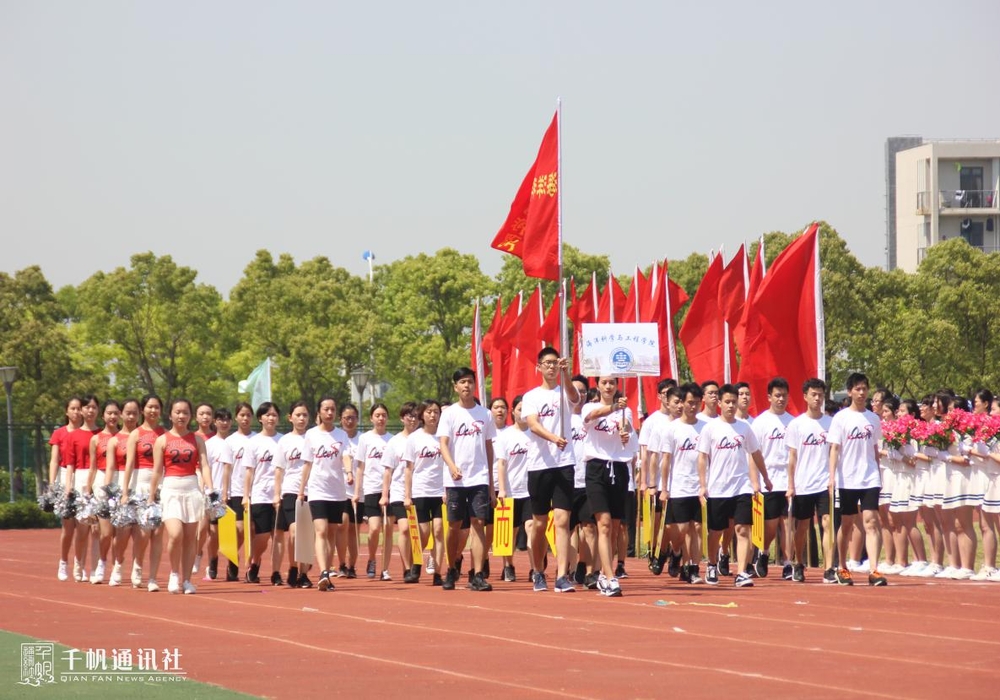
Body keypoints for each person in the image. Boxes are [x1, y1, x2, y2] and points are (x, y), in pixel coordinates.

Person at [698, 383, 772, 588]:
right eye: (727, 402)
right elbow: (702, 457)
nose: (731, 405)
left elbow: (755, 453)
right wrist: (703, 485)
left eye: (733, 402)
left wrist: (765, 478)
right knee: (716, 531)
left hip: (742, 487)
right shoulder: (710, 428)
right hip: (718, 488)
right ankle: (711, 564)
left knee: (742, 529)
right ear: (720, 403)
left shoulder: (744, 427)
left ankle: (741, 572)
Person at [521, 347, 581, 593]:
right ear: (539, 367)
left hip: (564, 463)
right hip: (540, 465)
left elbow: (575, 398)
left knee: (563, 520)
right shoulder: (531, 396)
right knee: (539, 522)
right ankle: (538, 570)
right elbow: (533, 424)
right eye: (547, 363)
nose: (551, 367)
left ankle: (562, 575)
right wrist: (554, 438)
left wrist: (567, 375)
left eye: (555, 363)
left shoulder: (565, 391)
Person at [439, 368, 497, 592]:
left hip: (479, 477)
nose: (467, 386)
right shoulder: (449, 414)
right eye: (462, 382)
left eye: (470, 382)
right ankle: (452, 568)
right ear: (456, 387)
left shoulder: (485, 414)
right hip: (456, 480)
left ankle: (478, 574)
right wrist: (452, 467)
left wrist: (490, 483)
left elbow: (489, 448)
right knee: (454, 526)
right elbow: (443, 444)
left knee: (478, 523)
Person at [827, 373, 887, 586]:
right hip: (848, 479)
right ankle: (842, 566)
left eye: (864, 389)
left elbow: (875, 448)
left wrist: (878, 474)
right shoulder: (841, 418)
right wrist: (832, 477)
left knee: (871, 521)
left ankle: (874, 569)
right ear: (850, 391)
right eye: (857, 389)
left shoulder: (873, 419)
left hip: (869, 477)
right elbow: (835, 448)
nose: (861, 393)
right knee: (847, 523)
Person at [148, 398, 212, 595]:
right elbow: (157, 470)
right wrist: (151, 495)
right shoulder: (162, 440)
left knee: (191, 538)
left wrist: (210, 488)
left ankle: (187, 580)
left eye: (185, 412)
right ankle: (174, 573)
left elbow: (204, 465)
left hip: (192, 489)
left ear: (190, 416)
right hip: (171, 489)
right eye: (177, 412)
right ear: (170, 415)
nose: (181, 416)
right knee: (176, 534)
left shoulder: (197, 440)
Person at [582, 377, 634, 597]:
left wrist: (624, 432)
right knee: (603, 524)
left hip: (619, 468)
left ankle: (604, 573)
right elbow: (592, 416)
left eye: (612, 382)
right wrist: (613, 407)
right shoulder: (589, 407)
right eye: (604, 382)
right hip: (596, 468)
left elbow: (626, 427)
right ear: (598, 386)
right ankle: (611, 578)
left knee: (613, 526)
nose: (608, 386)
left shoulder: (626, 411)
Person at [300, 395, 353, 592]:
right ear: (319, 412)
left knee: (331, 532)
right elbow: (307, 464)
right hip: (317, 489)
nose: (330, 413)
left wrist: (349, 472)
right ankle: (323, 572)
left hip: (337, 491)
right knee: (321, 530)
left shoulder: (341, 435)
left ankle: (327, 574)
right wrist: (301, 490)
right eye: (326, 409)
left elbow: (346, 456)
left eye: (332, 409)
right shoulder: (311, 434)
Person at [656, 383, 708, 583]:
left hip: (699, 487)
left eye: (696, 403)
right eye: (689, 402)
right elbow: (666, 460)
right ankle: (676, 551)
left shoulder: (705, 427)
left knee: (696, 528)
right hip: (678, 487)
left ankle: (692, 568)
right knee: (680, 529)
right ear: (683, 403)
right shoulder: (672, 429)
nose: (693, 406)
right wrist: (664, 488)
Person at [785, 378, 834, 583]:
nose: (817, 398)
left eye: (820, 395)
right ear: (805, 396)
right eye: (814, 394)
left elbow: (834, 453)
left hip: (824, 482)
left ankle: (829, 567)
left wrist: (833, 478)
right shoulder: (796, 424)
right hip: (803, 484)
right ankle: (798, 562)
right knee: (803, 526)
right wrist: (791, 485)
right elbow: (792, 457)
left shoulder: (831, 423)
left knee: (827, 523)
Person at [750, 378, 794, 579]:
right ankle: (764, 551)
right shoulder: (760, 423)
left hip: (789, 481)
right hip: (769, 481)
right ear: (769, 397)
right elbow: (753, 454)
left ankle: (788, 563)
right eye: (777, 395)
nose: (781, 399)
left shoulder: (793, 422)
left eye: (784, 395)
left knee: (787, 523)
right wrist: (756, 482)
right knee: (770, 525)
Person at [122, 394, 166, 592]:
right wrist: (125, 491)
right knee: (143, 532)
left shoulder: (165, 434)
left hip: (162, 485)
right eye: (149, 407)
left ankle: (153, 577)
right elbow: (129, 464)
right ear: (143, 410)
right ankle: (138, 564)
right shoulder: (136, 434)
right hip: (141, 484)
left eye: (156, 407)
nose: (153, 411)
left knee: (158, 533)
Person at [404, 399, 447, 585]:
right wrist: (407, 495)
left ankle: (437, 572)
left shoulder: (444, 437)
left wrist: (447, 489)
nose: (433, 415)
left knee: (439, 530)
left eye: (436, 412)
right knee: (423, 532)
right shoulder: (414, 438)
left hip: (440, 491)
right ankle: (415, 565)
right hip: (421, 490)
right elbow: (408, 469)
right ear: (422, 414)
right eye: (429, 411)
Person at [241, 402, 283, 585]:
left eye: (274, 415)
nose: (271, 418)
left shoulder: (283, 440)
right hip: (260, 495)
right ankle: (254, 561)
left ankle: (276, 572)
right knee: (263, 536)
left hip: (280, 495)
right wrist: (246, 495)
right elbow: (249, 471)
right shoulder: (253, 442)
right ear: (260, 418)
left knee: (278, 535)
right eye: (267, 415)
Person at [273, 401, 312, 588]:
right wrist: (277, 494)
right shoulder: (285, 441)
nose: (301, 418)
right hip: (290, 491)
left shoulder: (313, 438)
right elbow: (279, 470)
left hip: (313, 490)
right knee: (295, 532)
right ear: (290, 418)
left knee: (308, 534)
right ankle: (294, 566)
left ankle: (303, 574)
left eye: (305, 415)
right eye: (298, 415)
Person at [380, 402, 420, 582]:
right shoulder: (395, 442)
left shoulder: (423, 438)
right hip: (398, 492)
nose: (413, 420)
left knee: (417, 531)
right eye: (409, 416)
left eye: (416, 416)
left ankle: (413, 565)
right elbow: (388, 470)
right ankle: (407, 568)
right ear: (402, 418)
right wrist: (384, 494)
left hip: (419, 491)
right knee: (404, 528)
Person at [495, 394, 532, 583]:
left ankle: (535, 569)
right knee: (510, 532)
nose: (523, 413)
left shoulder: (536, 433)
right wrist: (502, 489)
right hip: (511, 491)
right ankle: (508, 566)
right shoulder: (505, 436)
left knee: (532, 528)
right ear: (513, 411)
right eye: (520, 409)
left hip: (531, 491)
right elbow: (501, 464)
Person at [353, 402, 392, 579]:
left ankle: (385, 568)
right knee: (374, 528)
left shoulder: (392, 439)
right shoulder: (365, 439)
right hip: (371, 488)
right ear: (371, 418)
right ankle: (371, 558)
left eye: (383, 415)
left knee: (388, 528)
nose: (381, 418)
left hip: (390, 489)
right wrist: (357, 492)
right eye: (377, 415)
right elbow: (360, 467)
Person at [65, 394, 101, 582]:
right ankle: (79, 564)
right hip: (81, 479)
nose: (90, 410)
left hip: (99, 479)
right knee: (82, 529)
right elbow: (70, 464)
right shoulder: (74, 436)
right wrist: (68, 486)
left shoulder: (103, 434)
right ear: (81, 410)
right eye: (87, 407)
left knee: (97, 529)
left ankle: (95, 569)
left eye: (94, 407)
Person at [86, 399, 122, 584]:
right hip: (101, 482)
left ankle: (117, 568)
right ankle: (101, 563)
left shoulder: (126, 437)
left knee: (119, 531)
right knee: (106, 532)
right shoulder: (96, 439)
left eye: (116, 413)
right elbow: (92, 467)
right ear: (103, 415)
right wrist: (88, 492)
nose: (113, 416)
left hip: (121, 480)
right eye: (109, 413)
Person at [106, 398, 140, 586]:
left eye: (135, 413)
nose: (131, 416)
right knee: (122, 532)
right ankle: (118, 564)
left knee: (140, 532)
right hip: (121, 485)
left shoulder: (144, 437)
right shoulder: (114, 440)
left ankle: (137, 568)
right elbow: (110, 467)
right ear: (121, 414)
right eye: (128, 413)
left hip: (140, 484)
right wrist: (108, 491)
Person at [222, 402, 255, 581]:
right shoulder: (230, 441)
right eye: (242, 415)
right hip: (236, 491)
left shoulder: (257, 439)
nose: (245, 418)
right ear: (236, 417)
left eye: (248, 415)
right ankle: (232, 560)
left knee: (254, 530)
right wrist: (225, 492)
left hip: (256, 491)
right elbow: (227, 468)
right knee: (240, 529)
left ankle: (251, 566)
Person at [201, 407, 234, 581]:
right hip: (214, 494)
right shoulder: (209, 444)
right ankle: (212, 561)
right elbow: (204, 468)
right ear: (215, 422)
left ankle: (232, 565)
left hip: (233, 493)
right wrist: (208, 489)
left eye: (227, 419)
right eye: (220, 419)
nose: (224, 422)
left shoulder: (234, 442)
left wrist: (228, 492)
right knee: (214, 532)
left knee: (232, 532)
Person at [337, 403, 362, 578]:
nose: (349, 421)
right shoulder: (337, 438)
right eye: (346, 418)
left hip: (358, 491)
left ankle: (352, 566)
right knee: (342, 525)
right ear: (341, 420)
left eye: (352, 417)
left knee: (354, 529)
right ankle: (341, 563)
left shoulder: (363, 439)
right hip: (340, 489)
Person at [191, 403, 216, 579]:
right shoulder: (192, 437)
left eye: (208, 413)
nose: (205, 417)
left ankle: (211, 564)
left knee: (214, 530)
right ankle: (197, 553)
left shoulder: (218, 437)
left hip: (216, 480)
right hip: (198, 480)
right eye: (201, 414)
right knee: (201, 526)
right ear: (196, 417)